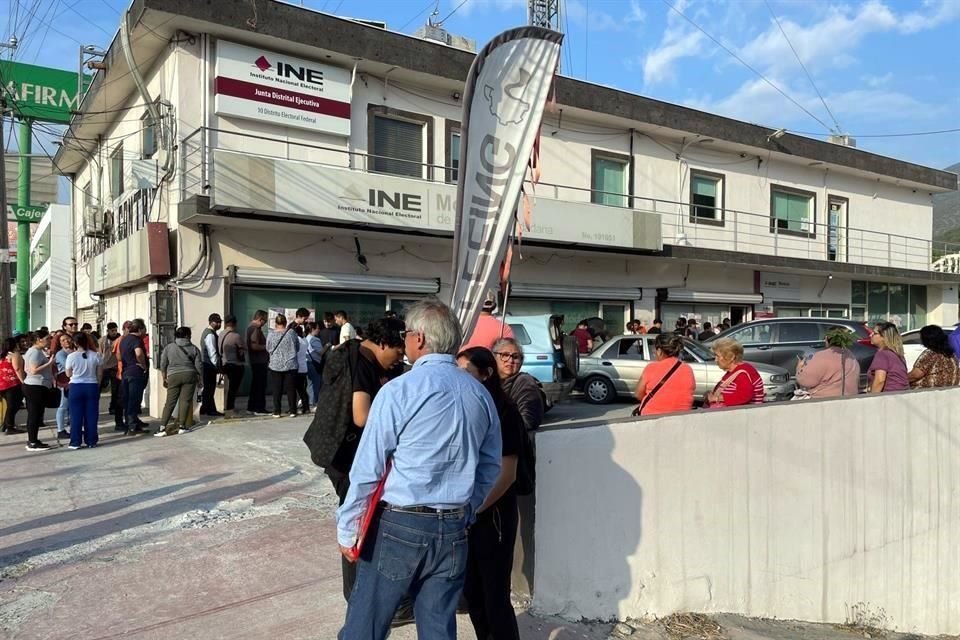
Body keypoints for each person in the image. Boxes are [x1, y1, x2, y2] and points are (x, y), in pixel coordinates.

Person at [336, 300, 501, 640]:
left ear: (420, 339)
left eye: (406, 333)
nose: (405, 340)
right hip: (454, 525)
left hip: (401, 524)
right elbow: (490, 465)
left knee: (365, 624)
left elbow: (369, 466)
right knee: (438, 627)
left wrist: (348, 525)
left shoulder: (400, 390)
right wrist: (467, 510)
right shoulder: (480, 394)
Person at [321, 317, 406, 603]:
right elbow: (361, 415)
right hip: (348, 459)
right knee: (357, 523)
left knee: (361, 522)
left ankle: (363, 595)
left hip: (345, 454)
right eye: (397, 351)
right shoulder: (361, 363)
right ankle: (357, 597)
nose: (399, 359)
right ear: (383, 343)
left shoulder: (361, 356)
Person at [456, 346, 526, 640]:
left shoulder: (504, 411)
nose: (458, 379)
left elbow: (506, 474)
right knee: (472, 592)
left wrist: (475, 510)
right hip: (465, 515)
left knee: (495, 595)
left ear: (485, 375)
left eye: (466, 372)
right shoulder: (461, 408)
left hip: (492, 515)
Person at [156, 327, 204, 437]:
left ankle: (162, 427)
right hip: (189, 375)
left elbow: (163, 364)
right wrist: (200, 379)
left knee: (170, 402)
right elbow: (199, 366)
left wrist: (164, 377)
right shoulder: (194, 348)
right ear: (187, 336)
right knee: (185, 401)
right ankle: (182, 426)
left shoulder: (169, 347)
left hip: (173, 376)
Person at [634, 333, 696, 416]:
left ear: (659, 351)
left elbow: (638, 394)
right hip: (681, 418)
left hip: (651, 418)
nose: (654, 352)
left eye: (655, 349)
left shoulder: (651, 368)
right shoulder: (687, 369)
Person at [493, 338, 544, 432]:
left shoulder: (525, 382)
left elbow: (528, 420)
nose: (510, 360)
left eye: (515, 357)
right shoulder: (489, 381)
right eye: (505, 355)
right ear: (494, 357)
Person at [795, 327, 860, 398]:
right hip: (850, 398)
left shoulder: (821, 356)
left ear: (826, 339)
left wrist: (799, 368)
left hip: (825, 401)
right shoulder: (851, 356)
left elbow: (806, 381)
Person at [65, 333, 102, 449]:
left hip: (76, 386)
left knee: (75, 415)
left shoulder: (71, 356)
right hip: (91, 385)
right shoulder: (96, 355)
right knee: (91, 415)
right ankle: (91, 440)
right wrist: (97, 384)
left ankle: (75, 442)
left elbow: (68, 373)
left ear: (75, 343)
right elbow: (100, 373)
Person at [22, 330, 56, 451]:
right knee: (34, 414)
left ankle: (34, 439)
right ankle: (32, 442)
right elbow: (33, 370)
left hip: (39, 385)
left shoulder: (38, 351)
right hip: (34, 386)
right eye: (47, 338)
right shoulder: (34, 352)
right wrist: (50, 363)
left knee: (36, 414)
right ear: (39, 340)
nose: (49, 341)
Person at [706, 338, 764, 407]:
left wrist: (718, 398)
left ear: (731, 357)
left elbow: (744, 395)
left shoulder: (742, 373)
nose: (715, 360)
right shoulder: (734, 371)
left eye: (718, 356)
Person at [120, 319, 150, 434]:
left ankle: (132, 422)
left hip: (126, 372)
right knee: (134, 399)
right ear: (140, 329)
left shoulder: (124, 339)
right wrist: (143, 366)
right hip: (136, 373)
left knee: (128, 399)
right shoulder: (136, 340)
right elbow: (138, 353)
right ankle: (132, 425)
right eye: (144, 329)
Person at [267, 314, 300, 417]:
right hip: (290, 364)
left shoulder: (271, 334)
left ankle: (277, 411)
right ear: (285, 323)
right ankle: (292, 410)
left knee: (277, 389)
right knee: (291, 389)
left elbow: (268, 348)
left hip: (275, 365)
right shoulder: (292, 333)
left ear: (276, 323)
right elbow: (297, 347)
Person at [908, 324, 960, 389]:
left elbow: (915, 375)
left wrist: (899, 380)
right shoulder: (952, 355)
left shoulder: (930, 354)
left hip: (925, 393)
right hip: (949, 391)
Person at [868, 322, 909, 393]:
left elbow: (880, 380)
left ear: (884, 337)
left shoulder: (882, 354)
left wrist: (871, 399)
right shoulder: (898, 355)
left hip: (889, 396)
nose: (870, 335)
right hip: (903, 394)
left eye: (874, 333)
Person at [219, 315, 246, 418]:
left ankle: (229, 408)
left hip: (225, 364)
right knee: (233, 389)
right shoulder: (236, 336)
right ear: (235, 324)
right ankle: (230, 410)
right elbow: (243, 347)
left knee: (230, 388)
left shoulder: (221, 334)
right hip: (235, 365)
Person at [245, 310, 270, 415]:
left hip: (255, 361)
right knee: (260, 385)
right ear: (260, 319)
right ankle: (259, 408)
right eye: (264, 321)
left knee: (255, 385)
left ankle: (251, 407)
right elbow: (254, 346)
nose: (265, 324)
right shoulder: (255, 329)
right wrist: (267, 347)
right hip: (260, 361)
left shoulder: (249, 328)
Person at [199, 313, 223, 417]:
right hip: (209, 366)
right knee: (210, 388)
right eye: (217, 322)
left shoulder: (208, 332)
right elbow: (212, 352)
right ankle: (210, 410)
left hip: (207, 365)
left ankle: (204, 408)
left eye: (220, 322)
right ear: (211, 322)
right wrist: (217, 365)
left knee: (208, 388)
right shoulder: (210, 334)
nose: (219, 324)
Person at [0, 337, 25, 435]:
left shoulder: (2, 356)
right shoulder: (14, 355)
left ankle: (7, 425)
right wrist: (23, 381)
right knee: (13, 405)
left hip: (2, 384)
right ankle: (9, 426)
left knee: (10, 405)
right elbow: (17, 368)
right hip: (12, 383)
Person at [54, 333, 75, 439]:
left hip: (74, 381)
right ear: (60, 343)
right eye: (63, 340)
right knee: (63, 405)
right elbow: (68, 365)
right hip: (64, 381)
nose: (66, 341)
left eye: (67, 339)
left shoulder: (75, 351)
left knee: (72, 406)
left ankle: (73, 426)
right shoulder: (60, 354)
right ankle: (60, 430)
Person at [99, 322, 121, 414]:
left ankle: (113, 407)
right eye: (112, 330)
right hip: (104, 367)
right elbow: (99, 353)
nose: (114, 332)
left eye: (115, 330)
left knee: (115, 390)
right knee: (99, 388)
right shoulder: (102, 340)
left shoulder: (120, 339)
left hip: (116, 367)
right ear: (108, 330)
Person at [305, 322, 325, 407]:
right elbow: (321, 352)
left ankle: (310, 401)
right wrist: (328, 347)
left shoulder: (306, 338)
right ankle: (315, 402)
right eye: (317, 328)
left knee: (309, 384)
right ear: (312, 329)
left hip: (307, 363)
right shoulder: (315, 339)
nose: (319, 330)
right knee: (316, 383)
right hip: (314, 363)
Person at [294, 325, 311, 414]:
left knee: (297, 389)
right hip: (304, 367)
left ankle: (300, 407)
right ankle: (306, 407)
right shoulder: (304, 340)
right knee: (302, 389)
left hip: (297, 367)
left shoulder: (297, 340)